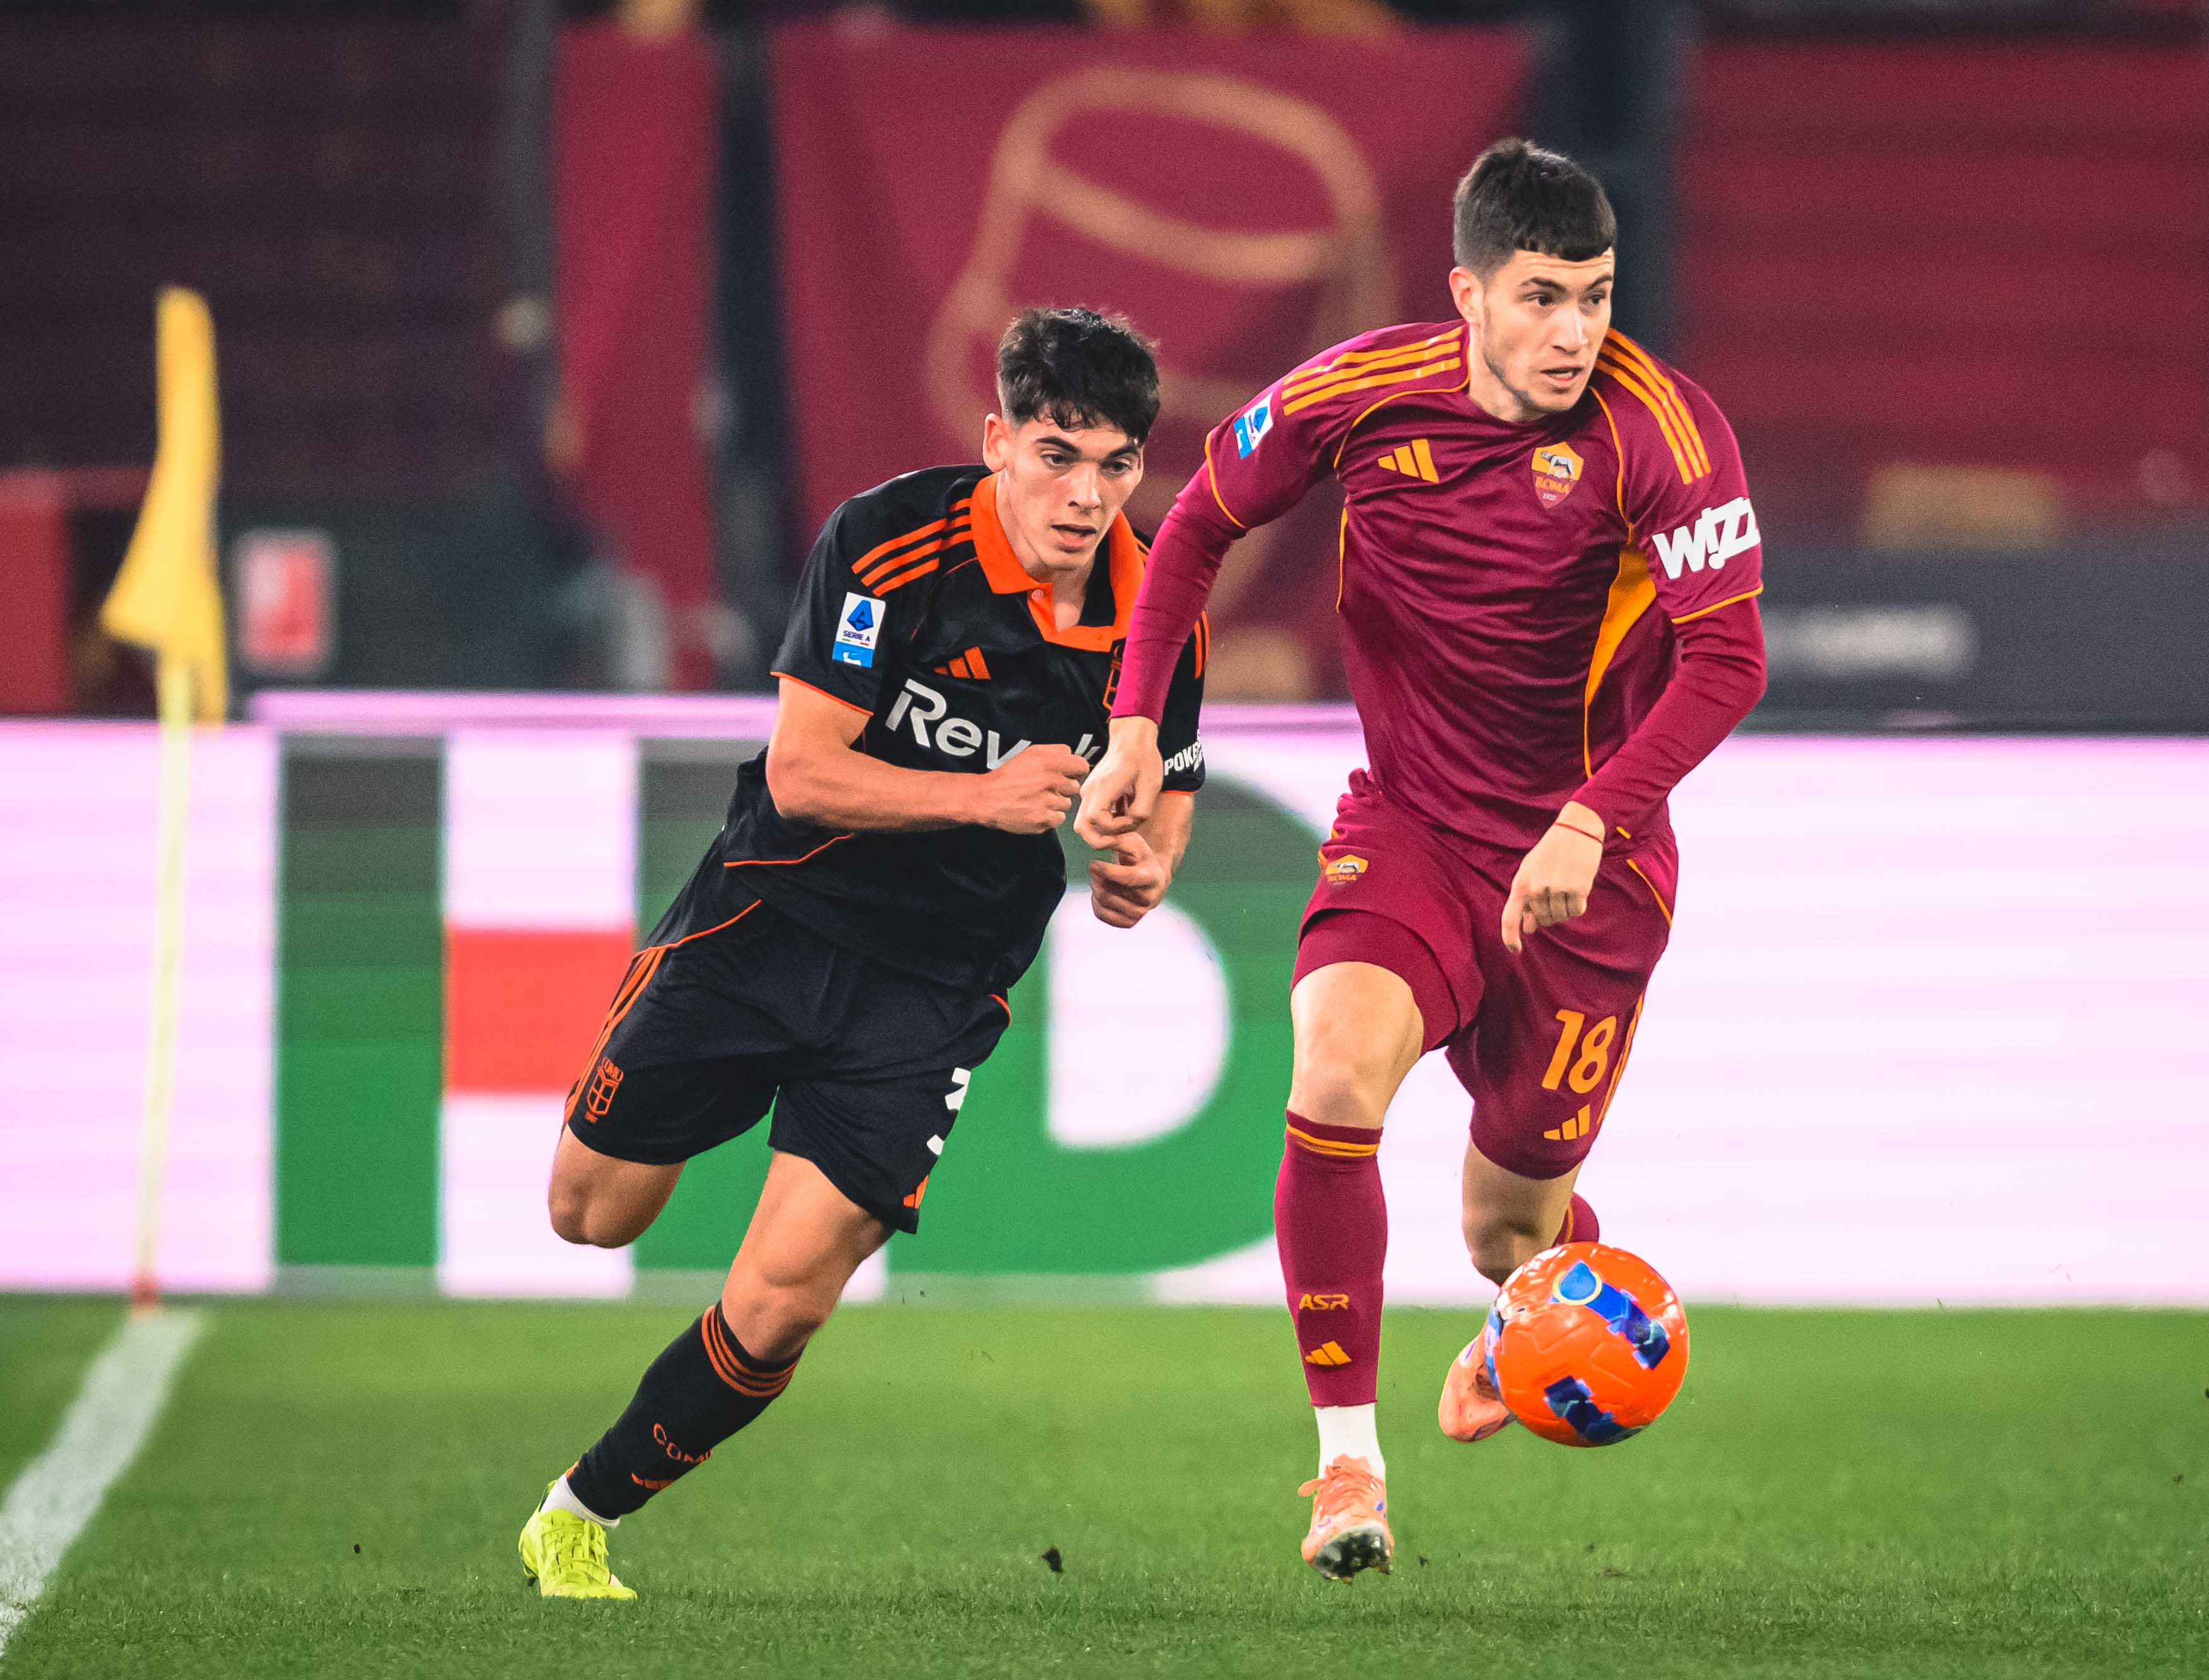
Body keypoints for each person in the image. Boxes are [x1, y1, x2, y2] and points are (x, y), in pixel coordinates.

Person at [1076, 139, 1767, 1581]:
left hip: (1593, 871)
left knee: (1505, 1232)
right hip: (1412, 828)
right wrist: (1138, 719)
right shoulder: (1357, 393)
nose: (1574, 332)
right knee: (1330, 1076)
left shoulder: (1663, 431)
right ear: (1466, 294)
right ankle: (1348, 1467)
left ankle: (1523, 1322)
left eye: (1595, 296)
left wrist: (1593, 816)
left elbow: (1727, 662)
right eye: (1540, 298)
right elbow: (1194, 524)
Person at [516, 307, 1208, 1599]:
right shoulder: (888, 542)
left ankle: (579, 1511)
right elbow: (802, 771)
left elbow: (1165, 778)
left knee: (785, 1300)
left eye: (1116, 464)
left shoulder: (1160, 609)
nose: (1086, 494)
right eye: (1058, 455)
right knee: (590, 1213)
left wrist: (1146, 859)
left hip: (933, 989)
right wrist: (984, 795)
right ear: (998, 440)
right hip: (772, 920)